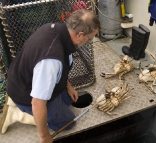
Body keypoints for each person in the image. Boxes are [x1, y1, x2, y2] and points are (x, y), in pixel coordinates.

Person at [0, 9, 100, 143]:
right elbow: (37, 103)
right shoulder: (51, 61)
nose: (88, 42)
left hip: (26, 77)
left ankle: (46, 112)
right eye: (89, 38)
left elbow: (62, 67)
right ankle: (18, 113)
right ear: (80, 35)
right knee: (68, 122)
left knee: (69, 101)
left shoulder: (57, 30)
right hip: (25, 93)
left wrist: (68, 86)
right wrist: (44, 136)